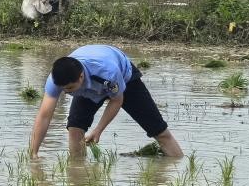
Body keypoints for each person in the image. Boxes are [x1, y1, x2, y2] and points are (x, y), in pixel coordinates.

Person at [28, 45, 183, 159]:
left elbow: (116, 100)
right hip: (88, 86)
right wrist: (34, 152)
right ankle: (78, 176)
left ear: (81, 77)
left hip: (125, 80)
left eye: (69, 88)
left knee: (159, 131)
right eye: (62, 89)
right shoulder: (56, 80)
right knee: (75, 129)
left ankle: (178, 165)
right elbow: (44, 116)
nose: (66, 92)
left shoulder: (108, 71)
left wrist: (98, 130)